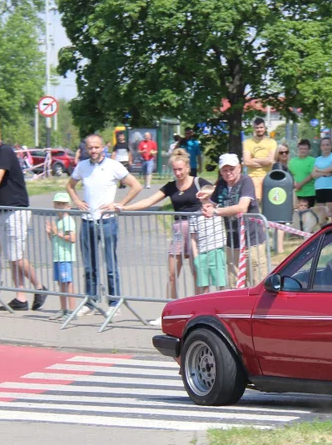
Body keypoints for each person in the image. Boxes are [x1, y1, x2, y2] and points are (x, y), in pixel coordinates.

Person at [117, 149, 212, 298]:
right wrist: (124, 207)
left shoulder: (199, 182)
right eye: (175, 170)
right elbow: (148, 201)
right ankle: (170, 308)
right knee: (172, 274)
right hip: (179, 230)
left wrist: (210, 203)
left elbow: (216, 193)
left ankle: (199, 308)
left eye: (180, 169)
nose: (178, 173)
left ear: (187, 168)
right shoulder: (170, 186)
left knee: (197, 273)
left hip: (197, 230)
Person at [0, 125, 48, 311]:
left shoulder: (5, 152)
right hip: (1, 210)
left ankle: (39, 287)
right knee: (12, 256)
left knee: (16, 256)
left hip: (15, 209)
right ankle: (20, 298)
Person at [67, 133, 143, 309]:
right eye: (90, 147)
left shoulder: (113, 166)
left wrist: (119, 204)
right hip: (88, 220)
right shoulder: (82, 166)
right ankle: (91, 301)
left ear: (103, 148)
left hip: (107, 220)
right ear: (86, 149)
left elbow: (136, 186)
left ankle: (114, 301)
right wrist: (77, 201)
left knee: (110, 264)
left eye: (96, 147)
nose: (93, 150)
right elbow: (70, 185)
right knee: (89, 264)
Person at [202, 153, 266, 287]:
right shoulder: (221, 184)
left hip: (252, 241)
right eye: (224, 170)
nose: (228, 173)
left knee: (257, 282)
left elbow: (242, 207)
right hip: (233, 241)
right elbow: (212, 203)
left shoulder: (246, 181)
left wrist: (216, 211)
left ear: (239, 168)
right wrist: (207, 206)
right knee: (234, 284)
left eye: (231, 169)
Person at [46, 191, 78, 321]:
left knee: (67, 283)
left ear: (68, 207)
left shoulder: (68, 220)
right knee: (61, 284)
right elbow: (53, 239)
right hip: (57, 256)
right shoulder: (57, 220)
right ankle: (63, 309)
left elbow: (72, 238)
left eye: (63, 204)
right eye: (58, 204)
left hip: (66, 256)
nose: (60, 207)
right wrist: (49, 233)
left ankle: (72, 310)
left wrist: (57, 233)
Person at [192, 184, 228, 293]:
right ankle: (205, 308)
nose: (207, 202)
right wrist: (196, 257)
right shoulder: (195, 216)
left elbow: (220, 187)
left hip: (217, 251)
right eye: (205, 199)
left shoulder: (218, 212)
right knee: (204, 286)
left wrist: (210, 194)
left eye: (209, 199)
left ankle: (220, 308)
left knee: (220, 283)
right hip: (202, 253)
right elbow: (193, 237)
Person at [242, 117, 277, 199]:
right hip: (253, 177)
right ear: (254, 128)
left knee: (268, 201)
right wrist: (264, 162)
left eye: (261, 127)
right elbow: (247, 162)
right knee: (255, 201)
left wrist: (254, 159)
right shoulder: (247, 142)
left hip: (268, 176)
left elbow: (270, 160)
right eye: (257, 128)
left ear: (265, 128)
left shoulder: (271, 142)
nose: (259, 129)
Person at [311, 136, 332, 225]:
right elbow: (313, 174)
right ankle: (323, 232)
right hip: (320, 188)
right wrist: (325, 173)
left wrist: (319, 170)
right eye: (323, 145)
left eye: (327, 145)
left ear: (331, 146)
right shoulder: (317, 159)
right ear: (321, 147)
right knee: (321, 213)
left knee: (331, 211)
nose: (325, 147)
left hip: (331, 187)